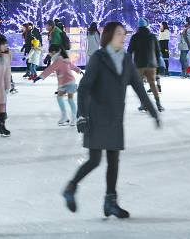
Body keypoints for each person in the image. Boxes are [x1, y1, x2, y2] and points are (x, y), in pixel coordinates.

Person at [62, 21, 160, 219]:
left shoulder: (125, 60)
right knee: (95, 160)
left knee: (114, 160)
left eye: (124, 34)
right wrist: (81, 115)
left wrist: (152, 110)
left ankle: (110, 202)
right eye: (119, 34)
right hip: (96, 116)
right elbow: (85, 87)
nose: (123, 37)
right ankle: (71, 188)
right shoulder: (99, 58)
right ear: (109, 36)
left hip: (115, 118)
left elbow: (139, 88)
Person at [34, 44, 82, 125]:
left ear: (53, 52)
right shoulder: (63, 58)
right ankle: (66, 116)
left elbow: (50, 69)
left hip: (67, 82)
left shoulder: (58, 60)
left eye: (49, 53)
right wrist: (79, 70)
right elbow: (72, 66)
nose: (49, 54)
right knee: (63, 98)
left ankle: (72, 117)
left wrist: (40, 77)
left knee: (66, 99)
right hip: (68, 81)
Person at [127, 18, 165, 112]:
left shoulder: (135, 37)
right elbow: (157, 51)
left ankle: (143, 104)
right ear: (146, 25)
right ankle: (158, 104)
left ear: (138, 26)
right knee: (152, 83)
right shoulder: (152, 36)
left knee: (140, 85)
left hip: (139, 65)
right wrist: (156, 62)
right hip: (151, 64)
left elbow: (130, 51)